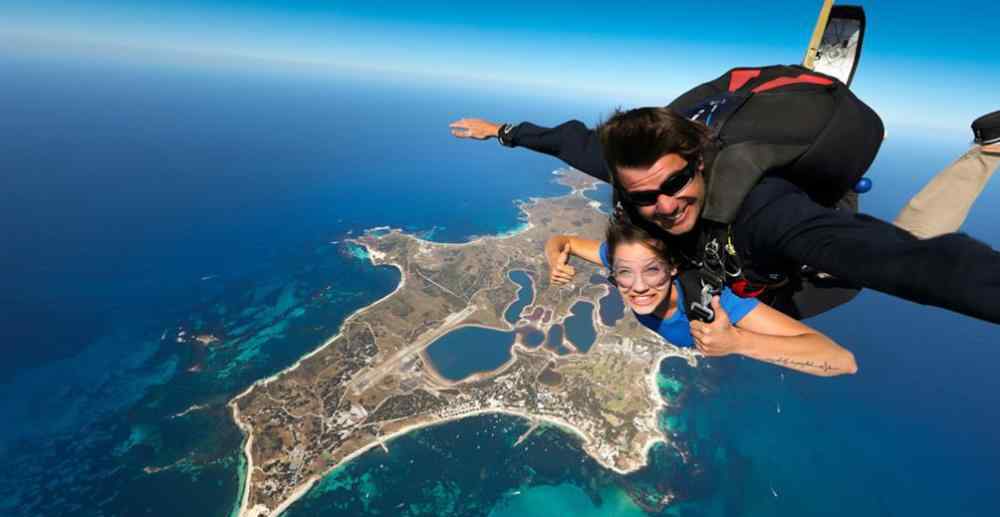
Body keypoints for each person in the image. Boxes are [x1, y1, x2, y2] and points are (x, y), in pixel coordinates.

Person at [451, 65, 1000, 324]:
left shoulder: (763, 211)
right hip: (755, 276)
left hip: (804, 266)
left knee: (900, 244)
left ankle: (988, 151)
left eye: (675, 183)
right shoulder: (633, 178)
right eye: (645, 197)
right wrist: (503, 131)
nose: (663, 204)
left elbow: (911, 264)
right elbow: (570, 142)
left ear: (700, 162)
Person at [545, 219, 857, 377]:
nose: (637, 286)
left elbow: (842, 361)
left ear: (673, 269)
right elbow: (563, 241)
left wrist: (738, 342)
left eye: (652, 271)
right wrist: (553, 260)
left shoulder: (714, 302)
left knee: (852, 264)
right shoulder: (624, 260)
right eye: (624, 272)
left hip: (801, 290)